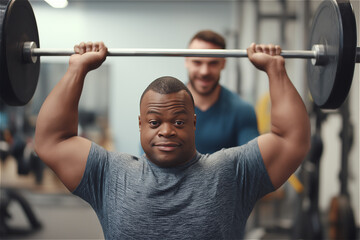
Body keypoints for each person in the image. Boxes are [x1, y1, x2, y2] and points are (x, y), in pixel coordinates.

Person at [34, 41, 310, 239]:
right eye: (154, 122)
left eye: (178, 122)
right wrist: (76, 69)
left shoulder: (230, 171)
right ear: (141, 124)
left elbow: (291, 140)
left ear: (193, 123)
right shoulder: (109, 172)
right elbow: (52, 141)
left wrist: (276, 69)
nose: (166, 131)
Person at [185, 30, 259, 154]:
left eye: (213, 63)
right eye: (197, 62)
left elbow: (252, 161)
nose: (204, 71)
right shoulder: (164, 106)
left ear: (223, 63)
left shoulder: (242, 110)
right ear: (186, 61)